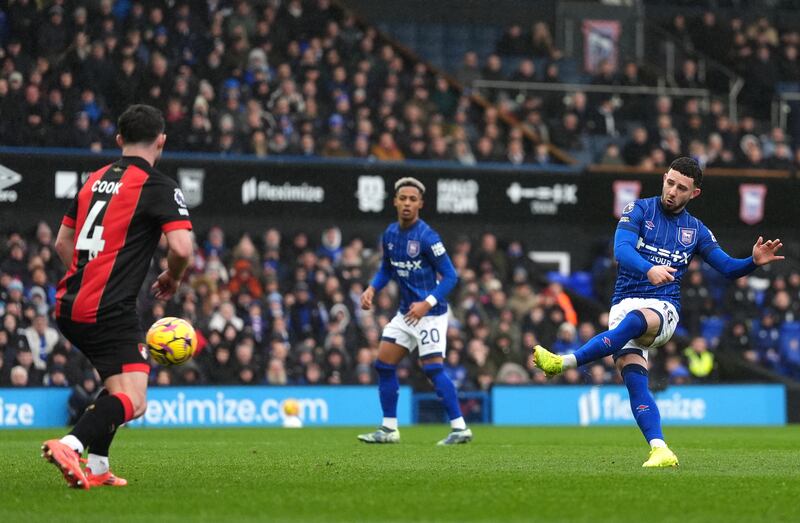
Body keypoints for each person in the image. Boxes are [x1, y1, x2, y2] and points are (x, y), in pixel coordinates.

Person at [533, 157, 784, 467]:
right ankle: (659, 448)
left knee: (635, 322)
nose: (672, 191)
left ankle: (564, 362)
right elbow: (621, 250)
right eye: (670, 183)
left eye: (682, 188)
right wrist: (649, 268)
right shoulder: (638, 210)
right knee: (635, 381)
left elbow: (728, 268)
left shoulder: (696, 231)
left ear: (694, 194)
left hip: (663, 308)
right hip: (624, 301)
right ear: (664, 178)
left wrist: (752, 261)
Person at [41, 104, 194, 489]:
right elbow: (181, 248)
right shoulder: (158, 185)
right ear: (162, 140)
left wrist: (86, 276)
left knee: (117, 384)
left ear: (119, 140)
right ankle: (69, 445)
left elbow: (63, 242)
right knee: (135, 400)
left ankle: (97, 466)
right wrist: (172, 278)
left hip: (70, 303)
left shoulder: (93, 179)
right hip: (107, 309)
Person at [357, 177, 471, 445]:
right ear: (395, 202)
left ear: (420, 204)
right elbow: (387, 268)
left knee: (433, 369)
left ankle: (459, 428)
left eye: (412, 199)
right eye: (403, 199)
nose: (407, 203)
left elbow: (452, 277)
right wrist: (372, 288)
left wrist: (426, 303)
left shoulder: (428, 237)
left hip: (431, 313)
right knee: (383, 364)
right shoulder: (390, 234)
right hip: (406, 314)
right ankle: (389, 429)